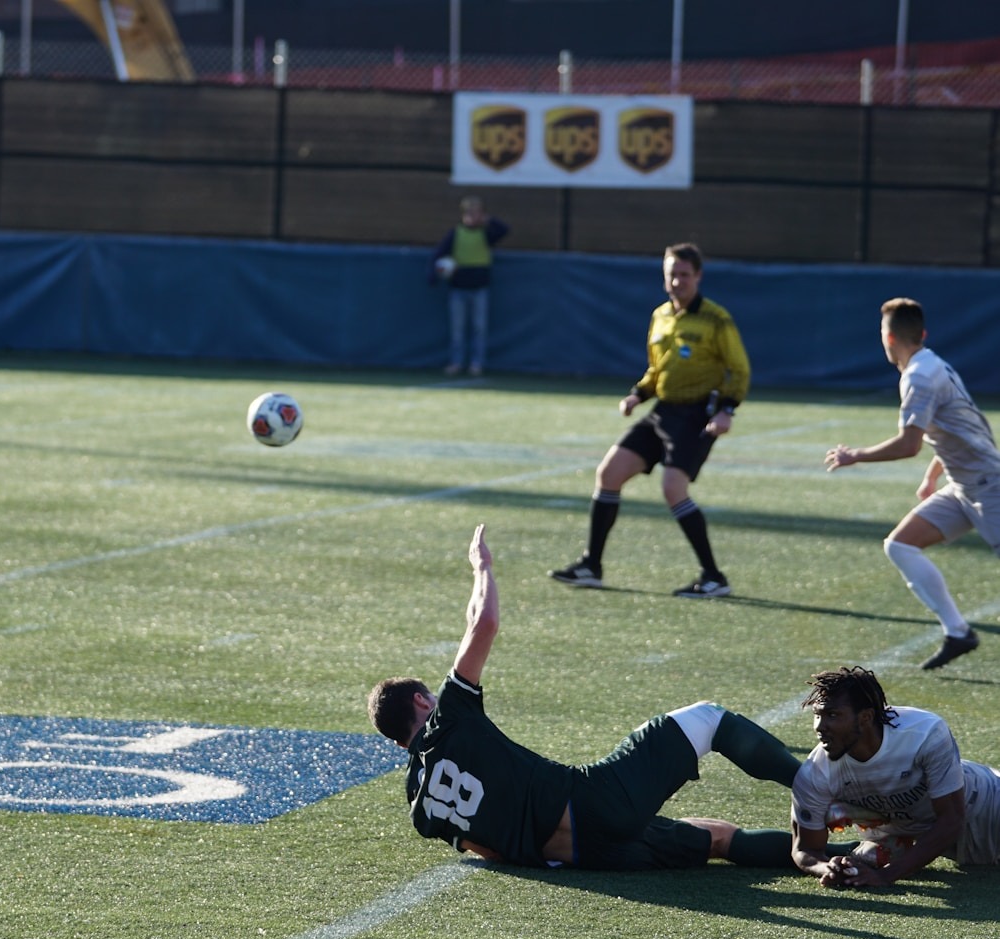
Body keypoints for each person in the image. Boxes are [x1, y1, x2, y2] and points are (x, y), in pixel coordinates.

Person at [367, 524, 804, 870]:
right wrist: (482, 568)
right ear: (424, 703)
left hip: (585, 858)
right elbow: (483, 624)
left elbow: (489, 851)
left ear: (395, 741)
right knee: (707, 718)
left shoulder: (418, 803)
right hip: (592, 802)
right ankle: (816, 786)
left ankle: (847, 853)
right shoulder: (448, 718)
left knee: (718, 839)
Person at [549, 243, 750, 599]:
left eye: (684, 274)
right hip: (663, 411)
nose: (677, 281)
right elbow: (657, 370)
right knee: (609, 473)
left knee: (673, 489)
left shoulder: (717, 319)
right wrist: (637, 395)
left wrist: (726, 410)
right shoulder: (661, 316)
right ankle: (590, 566)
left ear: (698, 277)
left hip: (697, 415)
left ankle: (713, 576)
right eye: (672, 274)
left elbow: (739, 368)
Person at [824, 297, 1000, 670]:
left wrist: (855, 455)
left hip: (989, 486)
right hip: (964, 485)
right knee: (900, 545)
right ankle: (958, 632)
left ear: (888, 338)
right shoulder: (933, 362)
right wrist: (934, 474)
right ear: (922, 333)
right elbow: (962, 427)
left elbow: (908, 444)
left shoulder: (919, 376)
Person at [791, 666, 1000, 888]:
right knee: (865, 850)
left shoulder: (924, 733)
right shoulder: (815, 773)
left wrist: (886, 876)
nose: (820, 727)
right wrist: (828, 868)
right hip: (918, 833)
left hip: (986, 807)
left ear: (865, 717)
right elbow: (805, 850)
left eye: (832, 715)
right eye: (817, 715)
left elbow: (952, 819)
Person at [429, 196, 509, 377]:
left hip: (480, 288)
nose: (473, 217)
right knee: (457, 330)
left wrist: (488, 220)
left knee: (479, 328)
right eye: (469, 213)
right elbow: (439, 253)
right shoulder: (456, 233)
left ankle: (477, 363)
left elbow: (504, 230)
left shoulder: (485, 233)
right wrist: (433, 275)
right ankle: (456, 362)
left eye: (477, 213)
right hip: (458, 289)